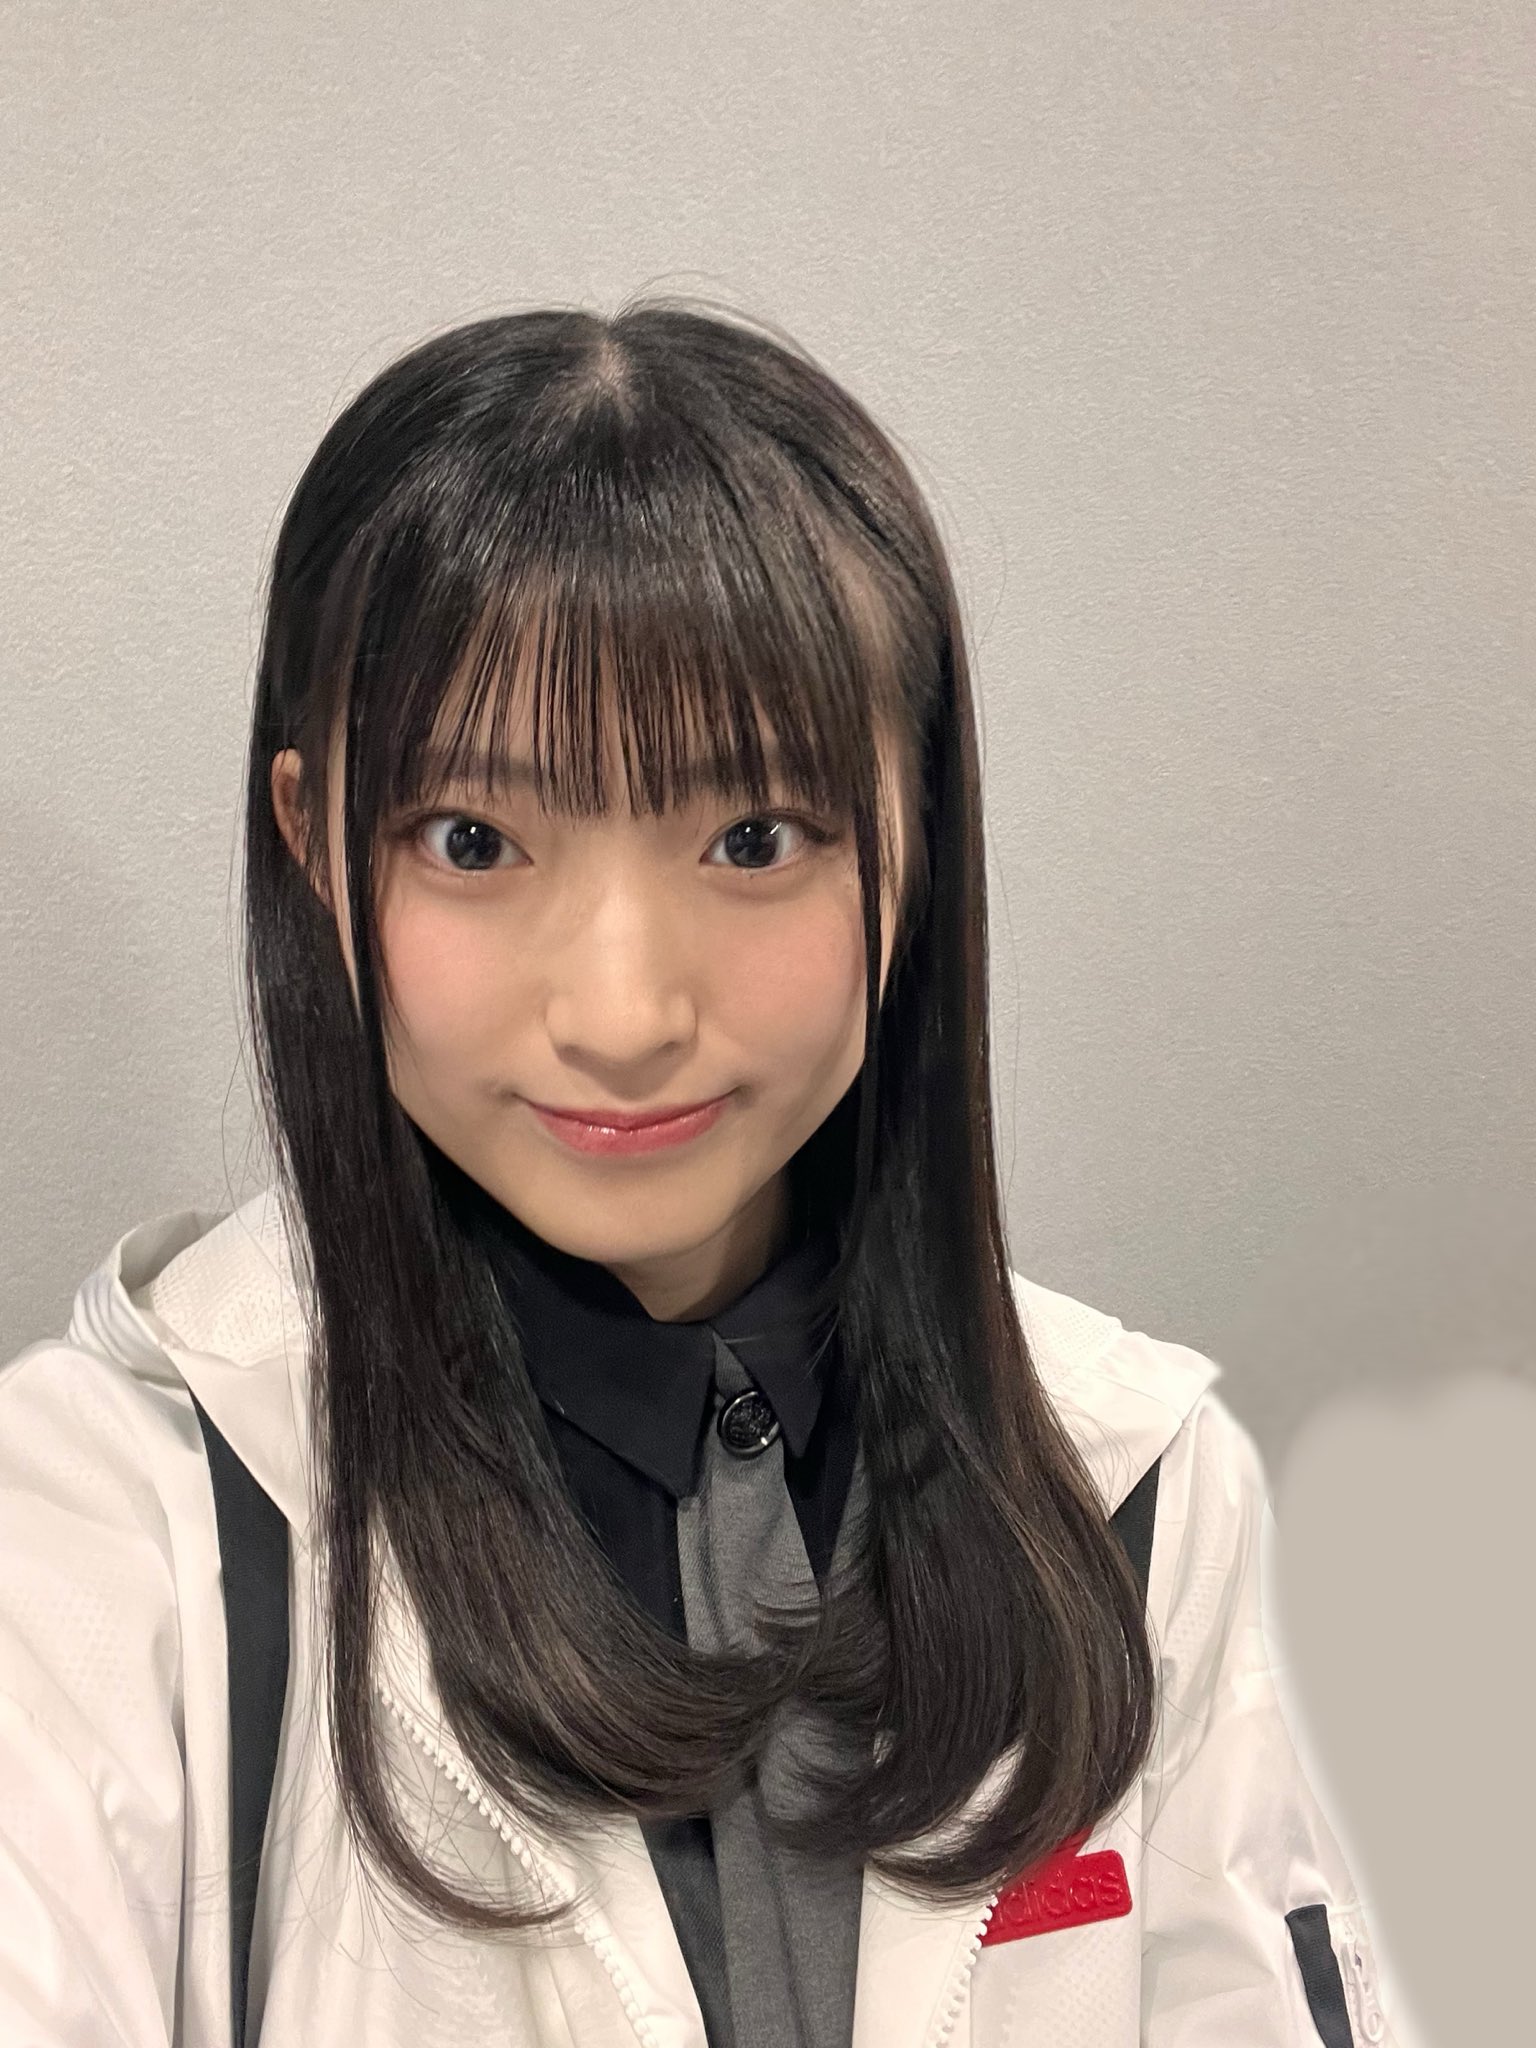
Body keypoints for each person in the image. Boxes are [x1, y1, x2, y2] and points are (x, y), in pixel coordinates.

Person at [0, 301, 1398, 2047]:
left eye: (754, 838)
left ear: (914, 839)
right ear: (314, 847)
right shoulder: (103, 1531)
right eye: (474, 840)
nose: (623, 1014)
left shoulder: (1131, 1493)